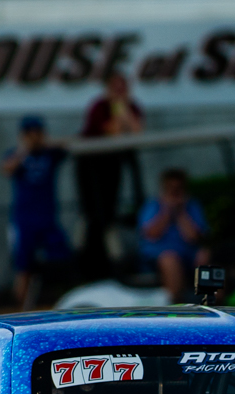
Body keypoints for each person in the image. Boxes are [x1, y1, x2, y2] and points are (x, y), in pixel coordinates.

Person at [75, 72, 144, 279]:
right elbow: (113, 131)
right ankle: (81, 259)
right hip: (91, 166)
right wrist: (119, 108)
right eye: (116, 87)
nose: (120, 92)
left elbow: (136, 131)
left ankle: (116, 263)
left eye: (123, 87)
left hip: (114, 165)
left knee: (110, 212)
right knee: (92, 213)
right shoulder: (99, 107)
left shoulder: (132, 107)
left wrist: (123, 108)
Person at [2, 115, 70, 308]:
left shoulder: (50, 153)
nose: (34, 137)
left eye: (38, 133)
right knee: (23, 267)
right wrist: (25, 149)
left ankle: (58, 303)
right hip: (24, 220)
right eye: (30, 133)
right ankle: (20, 309)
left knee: (61, 260)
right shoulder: (17, 154)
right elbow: (6, 169)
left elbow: (70, 144)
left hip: (48, 218)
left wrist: (45, 143)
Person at [137, 168, 209, 303]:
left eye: (179, 188)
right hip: (158, 256)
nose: (175, 192)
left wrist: (181, 212)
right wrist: (167, 210)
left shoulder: (192, 205)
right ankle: (175, 302)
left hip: (188, 255)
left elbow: (193, 237)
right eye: (171, 188)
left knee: (204, 255)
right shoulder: (152, 205)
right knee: (170, 259)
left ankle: (209, 300)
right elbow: (152, 234)